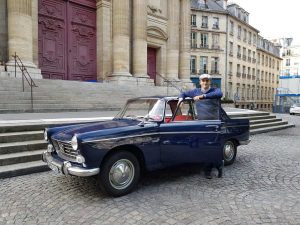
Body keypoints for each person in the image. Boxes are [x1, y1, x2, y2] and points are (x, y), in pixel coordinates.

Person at [178, 74, 223, 179]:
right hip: (202, 123)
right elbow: (183, 93)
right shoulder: (195, 91)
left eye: (207, 81)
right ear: (200, 82)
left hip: (214, 124)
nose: (205, 83)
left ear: (210, 82)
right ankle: (217, 165)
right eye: (203, 81)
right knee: (205, 147)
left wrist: (202, 96)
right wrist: (180, 100)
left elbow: (219, 94)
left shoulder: (215, 90)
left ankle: (211, 169)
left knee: (212, 147)